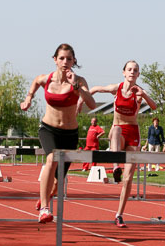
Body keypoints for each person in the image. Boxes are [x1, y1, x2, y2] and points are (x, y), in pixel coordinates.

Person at [20, 43, 95, 224]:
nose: (65, 62)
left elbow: (92, 105)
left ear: (74, 61)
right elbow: (35, 82)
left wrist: (75, 85)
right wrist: (28, 98)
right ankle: (45, 209)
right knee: (51, 158)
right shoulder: (46, 79)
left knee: (57, 183)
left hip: (70, 133)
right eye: (61, 58)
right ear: (55, 59)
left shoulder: (80, 81)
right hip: (49, 129)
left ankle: (46, 195)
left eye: (69, 59)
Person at [88, 60, 157, 228]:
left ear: (138, 74)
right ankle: (116, 165)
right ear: (124, 72)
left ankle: (119, 214)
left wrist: (143, 94)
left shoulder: (139, 93)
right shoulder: (116, 88)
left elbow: (154, 106)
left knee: (128, 179)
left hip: (133, 133)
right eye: (129, 69)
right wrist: (80, 102)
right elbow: (96, 89)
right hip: (118, 132)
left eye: (135, 70)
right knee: (116, 130)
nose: (132, 72)